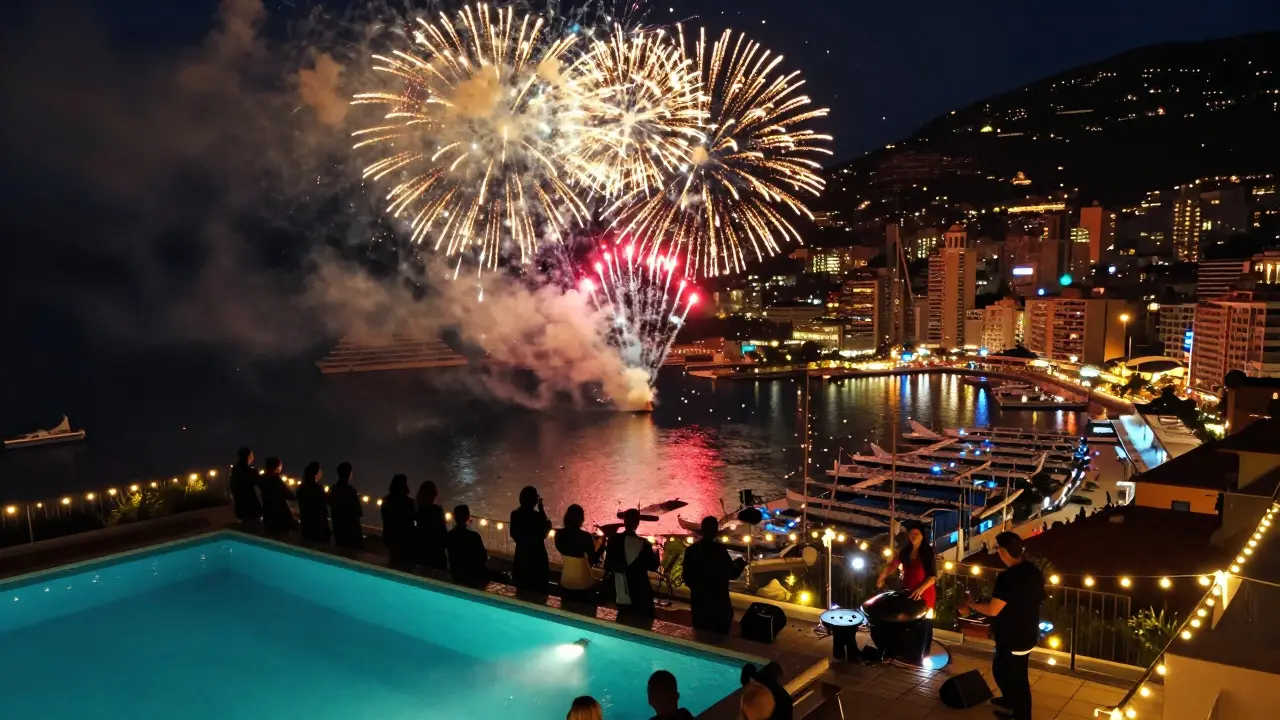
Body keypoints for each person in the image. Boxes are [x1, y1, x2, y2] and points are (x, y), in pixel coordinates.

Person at [958, 532, 1046, 720]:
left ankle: (1022, 716)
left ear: (1003, 552)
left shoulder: (1008, 578)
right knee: (1001, 669)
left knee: (1017, 679)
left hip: (1014, 636)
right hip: (1027, 632)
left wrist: (972, 605)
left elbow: (993, 610)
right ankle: (1010, 701)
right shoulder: (1032, 571)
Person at [875, 524, 937, 665]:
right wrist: (882, 576)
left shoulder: (928, 553)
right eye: (911, 533)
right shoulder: (905, 551)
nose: (913, 536)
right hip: (908, 592)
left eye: (916, 533)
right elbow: (892, 565)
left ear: (922, 536)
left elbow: (933, 577)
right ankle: (905, 652)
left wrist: (920, 589)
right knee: (907, 623)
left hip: (925, 594)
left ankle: (922, 656)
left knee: (925, 625)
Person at [682, 516, 746, 634]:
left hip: (699, 602)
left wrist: (697, 589)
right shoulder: (719, 550)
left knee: (700, 635)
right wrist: (741, 564)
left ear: (702, 529)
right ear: (716, 531)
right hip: (719, 602)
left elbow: (686, 576)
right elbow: (731, 573)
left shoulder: (692, 550)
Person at [605, 508, 659, 619]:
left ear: (624, 521)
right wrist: (656, 552)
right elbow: (653, 567)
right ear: (637, 523)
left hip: (619, 590)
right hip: (640, 593)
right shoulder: (644, 544)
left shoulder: (613, 540)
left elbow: (607, 565)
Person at [555, 504, 605, 597]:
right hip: (584, 583)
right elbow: (593, 560)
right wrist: (602, 544)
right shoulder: (585, 537)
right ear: (581, 519)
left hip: (565, 581)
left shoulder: (558, 534)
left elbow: (570, 548)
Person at [510, 485, 552, 593]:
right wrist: (541, 509)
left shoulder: (515, 515)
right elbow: (546, 530)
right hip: (538, 559)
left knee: (521, 591)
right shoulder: (537, 517)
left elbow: (513, 534)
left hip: (521, 557)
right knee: (538, 592)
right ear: (535, 501)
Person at [446, 504, 489, 586]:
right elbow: (483, 557)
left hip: (457, 574)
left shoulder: (450, 535)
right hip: (474, 576)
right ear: (468, 517)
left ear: (455, 517)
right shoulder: (474, 536)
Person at [380, 474, 416, 567]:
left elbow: (386, 519)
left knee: (393, 561)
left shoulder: (386, 500)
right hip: (407, 539)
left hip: (391, 537)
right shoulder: (410, 503)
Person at [329, 462, 364, 549]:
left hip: (338, 530)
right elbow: (358, 512)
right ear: (349, 474)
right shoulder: (350, 491)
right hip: (351, 532)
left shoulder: (333, 489)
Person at [415, 480, 448, 570]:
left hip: (422, 552)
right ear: (434, 495)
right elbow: (443, 535)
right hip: (437, 554)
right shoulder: (437, 511)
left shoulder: (418, 511)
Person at [257, 457, 295, 535]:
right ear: (277, 467)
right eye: (280, 465)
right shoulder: (275, 480)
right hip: (279, 516)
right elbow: (288, 495)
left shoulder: (261, 479)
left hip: (267, 513)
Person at [296, 461, 331, 544]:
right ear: (316, 473)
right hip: (318, 527)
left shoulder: (301, 488)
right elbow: (323, 504)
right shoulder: (317, 490)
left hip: (306, 526)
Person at [229, 446, 262, 523]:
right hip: (252, 507)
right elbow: (260, 485)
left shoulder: (234, 470)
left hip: (240, 507)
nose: (253, 456)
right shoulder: (251, 471)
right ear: (248, 456)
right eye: (252, 454)